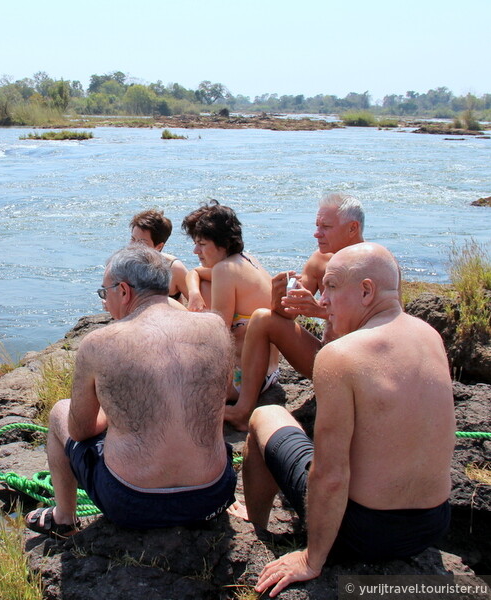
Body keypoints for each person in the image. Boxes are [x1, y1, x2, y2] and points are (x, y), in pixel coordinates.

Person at [231, 243, 454, 597]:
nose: (324, 300)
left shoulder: (340, 356)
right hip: (431, 525)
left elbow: (330, 473)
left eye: (332, 286)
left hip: (364, 533)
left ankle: (256, 528)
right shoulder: (429, 336)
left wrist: (312, 559)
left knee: (266, 414)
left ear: (366, 290)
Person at [24, 244, 236, 537]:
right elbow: (223, 395)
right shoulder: (215, 327)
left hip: (133, 504)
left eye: (104, 292)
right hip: (213, 495)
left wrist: (118, 413)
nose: (103, 303)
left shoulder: (99, 343)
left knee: (61, 410)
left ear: (124, 291)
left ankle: (63, 517)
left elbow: (81, 431)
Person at [224, 193, 365, 430]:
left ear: (353, 228)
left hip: (360, 365)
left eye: (326, 227)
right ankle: (242, 411)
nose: (317, 233)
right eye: (317, 226)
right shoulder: (320, 261)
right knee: (262, 318)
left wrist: (320, 313)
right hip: (324, 358)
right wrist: (278, 296)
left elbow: (384, 327)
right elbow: (285, 314)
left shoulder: (375, 265)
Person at [181, 201, 280, 401]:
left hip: (243, 382)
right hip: (269, 374)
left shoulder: (224, 270)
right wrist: (193, 293)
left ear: (223, 244)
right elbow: (195, 273)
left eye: (201, 245)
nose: (195, 252)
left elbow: (219, 337)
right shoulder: (245, 259)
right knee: (203, 287)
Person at [130, 209, 190, 303]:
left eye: (142, 242)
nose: (134, 246)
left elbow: (200, 305)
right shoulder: (126, 265)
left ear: (159, 246)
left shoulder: (173, 268)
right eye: (133, 239)